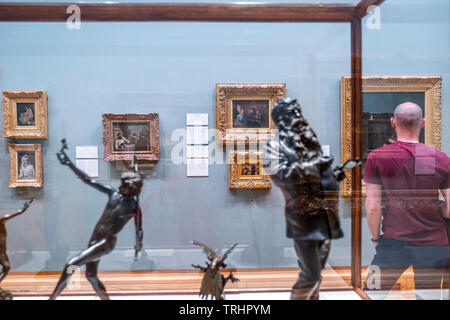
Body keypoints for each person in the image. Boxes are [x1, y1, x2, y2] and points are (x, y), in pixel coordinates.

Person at [263, 98, 360, 300]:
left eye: (299, 111)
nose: (298, 116)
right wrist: (317, 167)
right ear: (281, 119)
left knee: (317, 272)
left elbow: (317, 175)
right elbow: (283, 177)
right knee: (311, 274)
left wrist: (334, 173)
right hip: (302, 216)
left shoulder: (309, 140)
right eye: (293, 113)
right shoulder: (272, 146)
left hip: (326, 214)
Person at [364, 102, 450, 296]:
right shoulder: (439, 158)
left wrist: (376, 239)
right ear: (423, 123)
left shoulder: (378, 157)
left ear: (393, 122)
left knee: (372, 292)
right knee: (430, 297)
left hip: (394, 242)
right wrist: (438, 208)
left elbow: (373, 206)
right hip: (434, 245)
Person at [49, 139, 144, 300]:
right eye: (123, 184)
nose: (123, 186)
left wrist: (138, 243)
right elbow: (88, 180)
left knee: (71, 264)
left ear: (133, 188)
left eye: (127, 185)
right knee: (91, 276)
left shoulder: (134, 207)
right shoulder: (114, 194)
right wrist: (69, 164)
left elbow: (139, 228)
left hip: (106, 242)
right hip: (95, 238)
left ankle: (52, 299)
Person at [0, 200, 33, 300]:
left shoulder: (2, 221)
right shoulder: (1, 221)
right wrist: (23, 209)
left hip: (2, 251)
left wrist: (23, 209)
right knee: (6, 267)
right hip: (1, 252)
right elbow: (16, 214)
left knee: (6, 268)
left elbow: (15, 214)